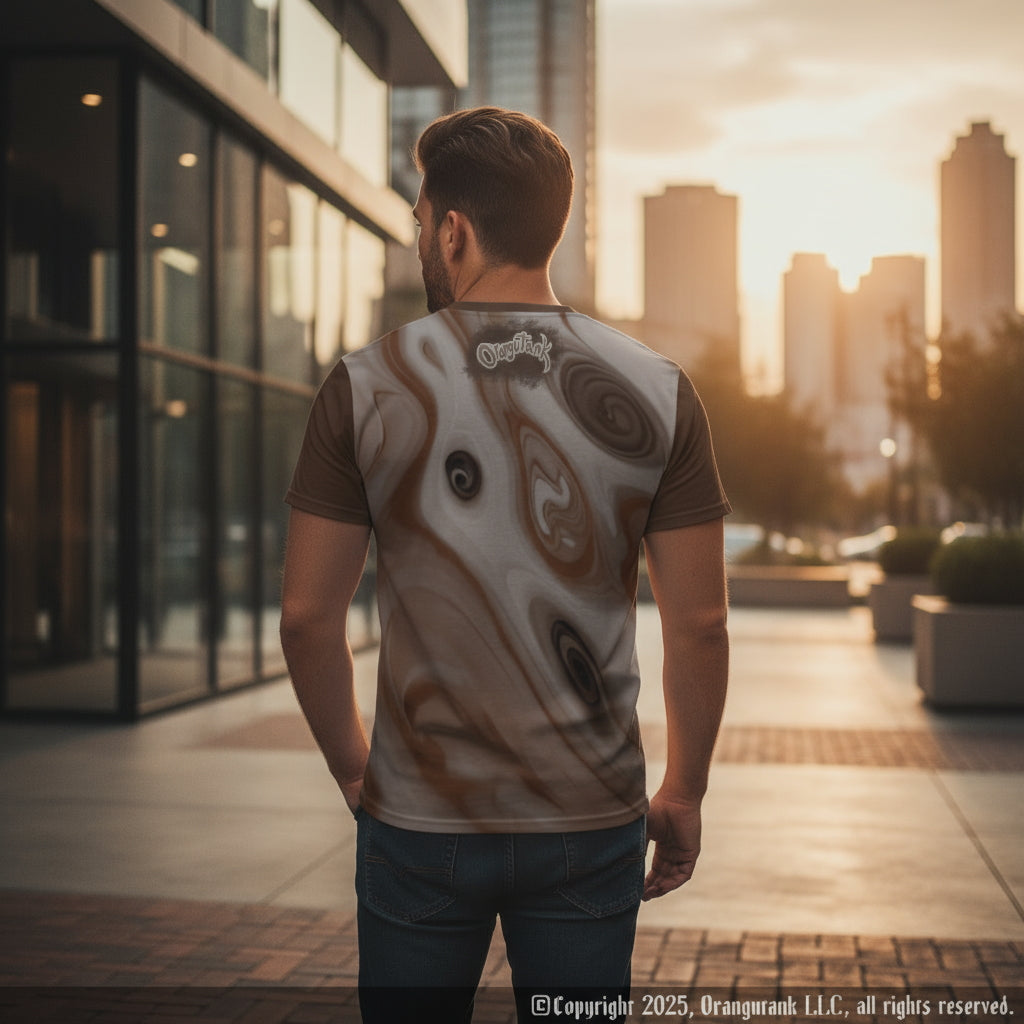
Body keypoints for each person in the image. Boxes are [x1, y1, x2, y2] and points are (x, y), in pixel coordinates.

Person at [279, 106, 730, 1023]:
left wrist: (358, 774)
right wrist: (683, 790)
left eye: (420, 222)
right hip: (591, 816)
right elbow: (701, 622)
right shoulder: (656, 389)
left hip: (419, 817)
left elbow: (306, 618)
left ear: (453, 229)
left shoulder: (365, 385)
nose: (421, 239)